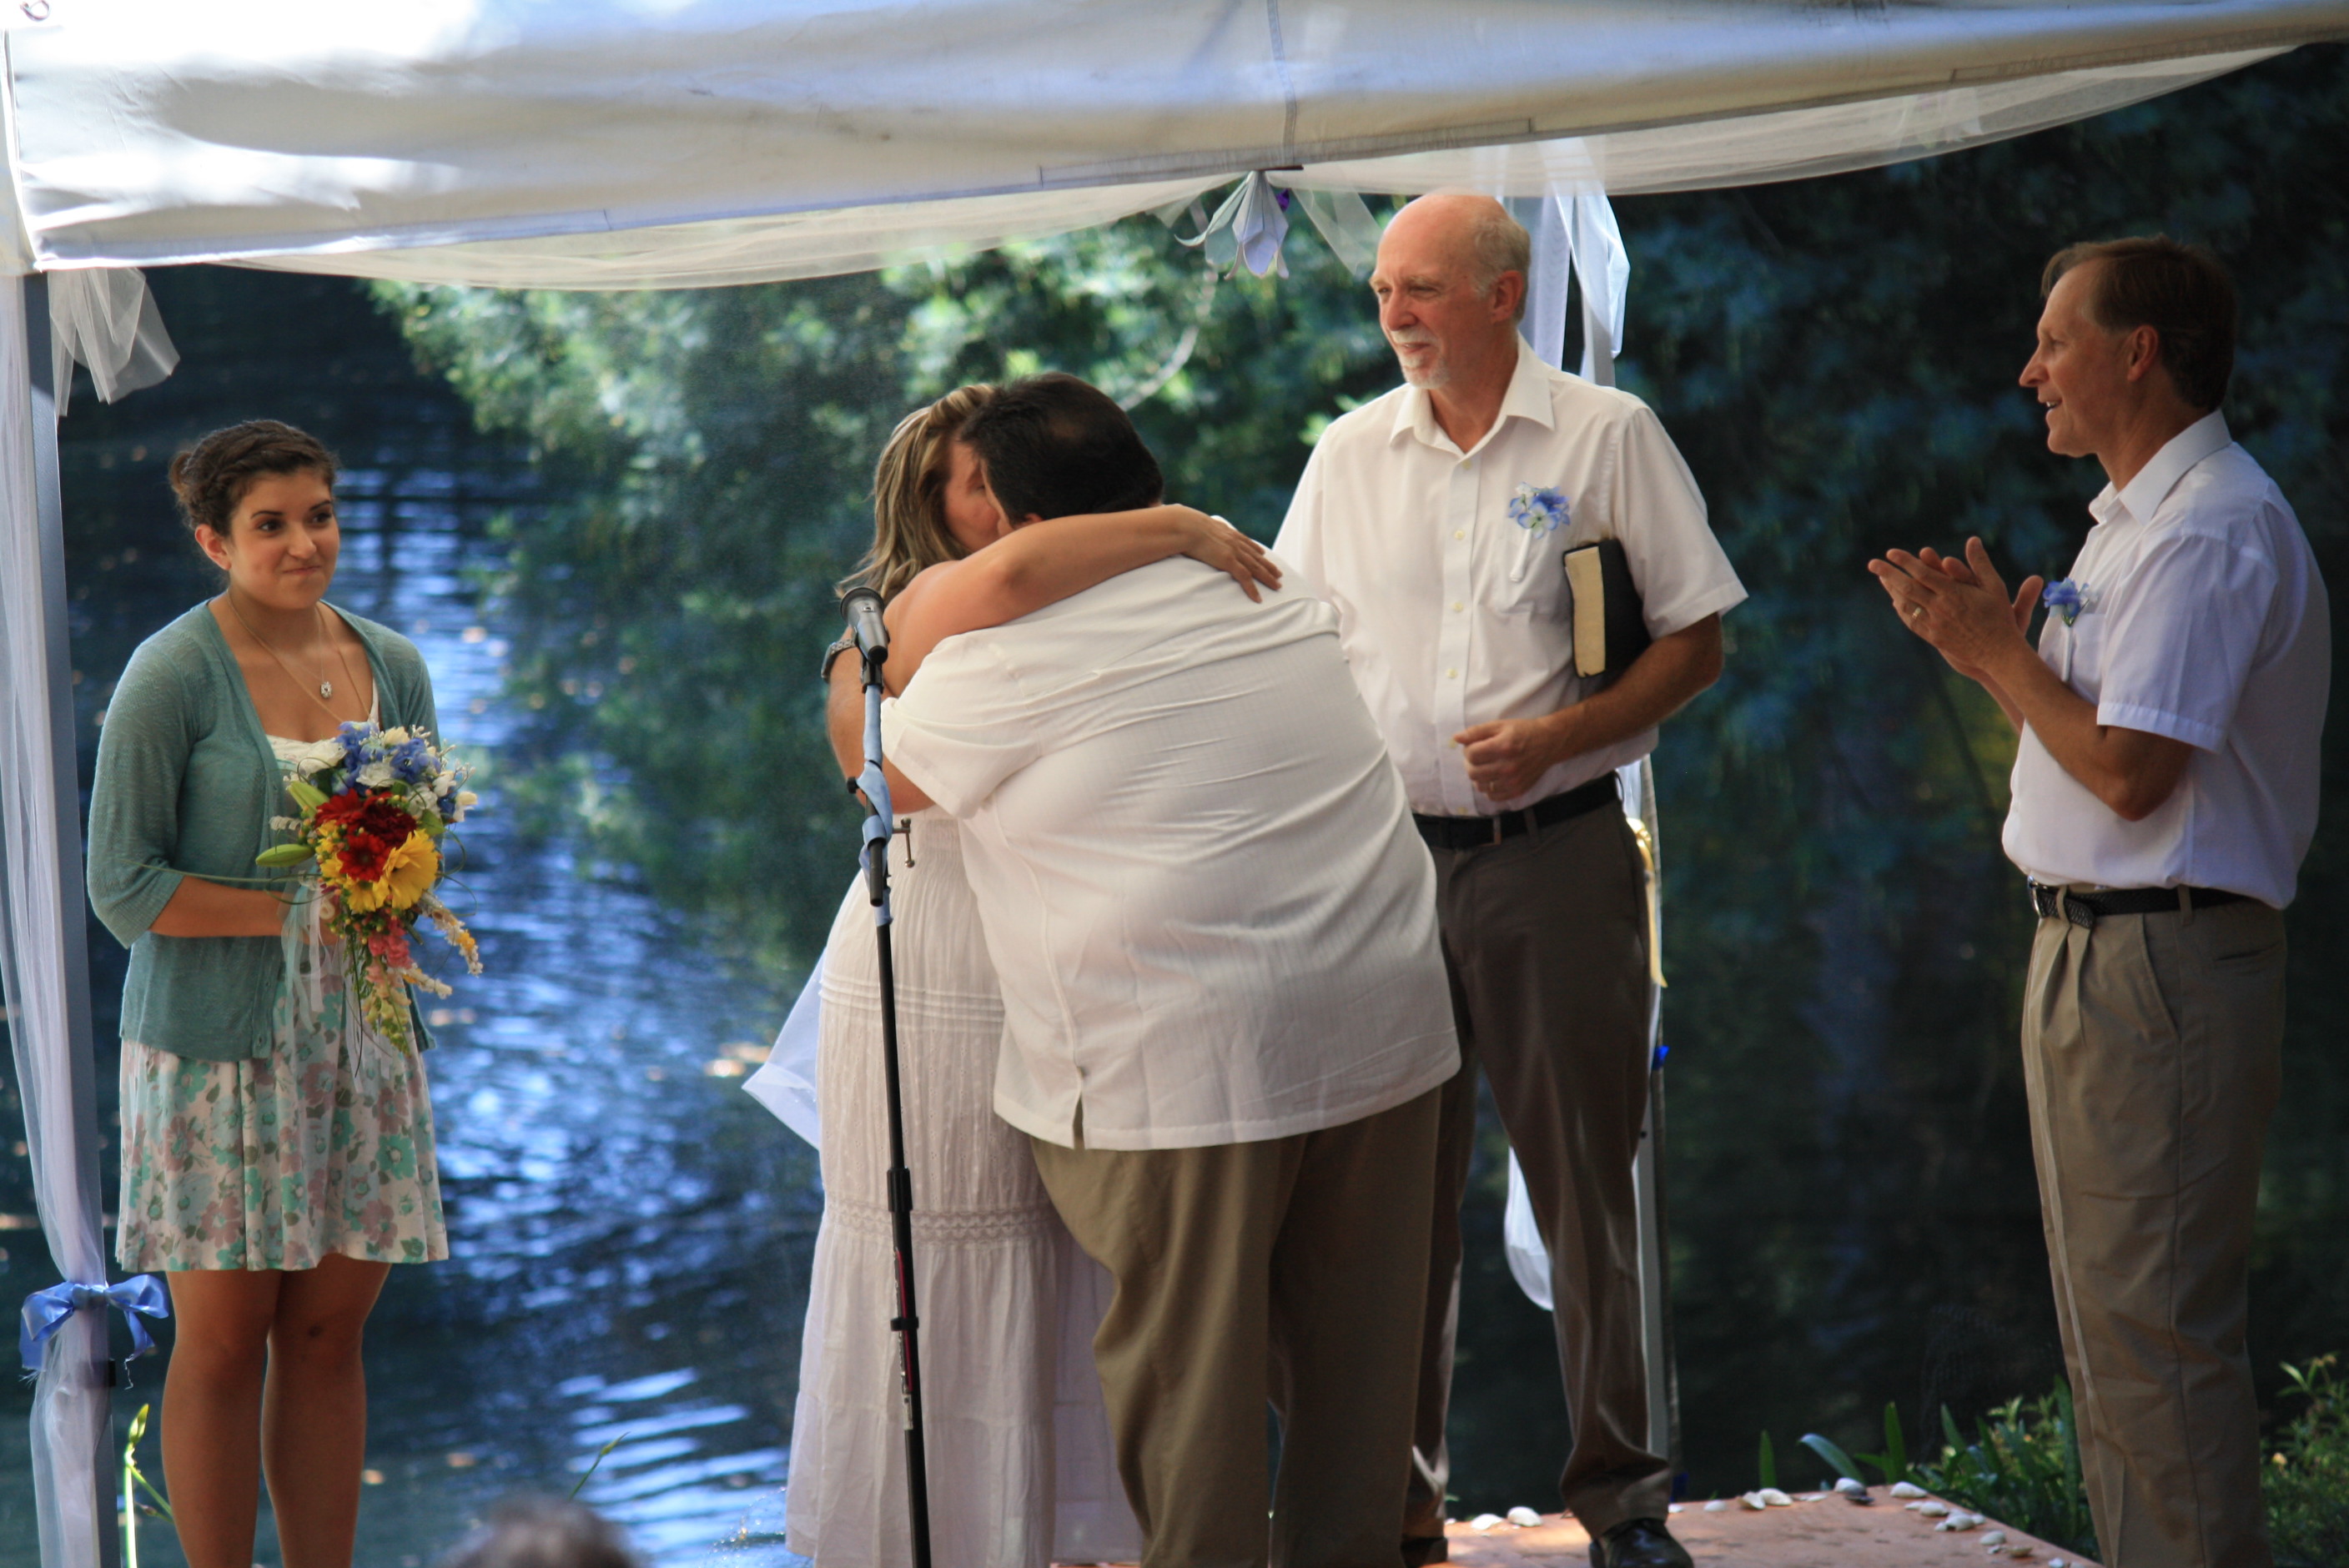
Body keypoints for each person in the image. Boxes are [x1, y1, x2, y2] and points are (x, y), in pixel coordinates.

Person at [872, 373, 1459, 1568]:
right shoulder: (1267, 579)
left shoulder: (1006, 653)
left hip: (1189, 1061)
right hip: (1386, 1016)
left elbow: (879, 780)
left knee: (1194, 1396)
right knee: (1358, 1378)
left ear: (1017, 524)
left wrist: (854, 659)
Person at [1275, 193, 1742, 1567]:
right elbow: (1284, 649)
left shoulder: (1608, 435)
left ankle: (1625, 1507)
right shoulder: (1348, 456)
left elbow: (1697, 643)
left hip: (1559, 860)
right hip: (1383, 877)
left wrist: (1562, 735)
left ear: (1503, 292)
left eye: (1419, 288)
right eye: (1381, 291)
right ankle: (1395, 1512)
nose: (1394, 315)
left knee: (1589, 1190)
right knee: (1385, 1212)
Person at [1869, 237, 2326, 1568]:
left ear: (2139, 354)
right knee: (2115, 1339)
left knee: (2156, 1344)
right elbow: (2096, 747)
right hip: (2104, 961)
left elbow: (2132, 777)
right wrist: (1992, 661)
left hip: (2161, 970)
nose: (2031, 371)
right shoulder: (2133, 523)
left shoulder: (2209, 530)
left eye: (2055, 341)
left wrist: (2002, 657)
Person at [787, 384, 1278, 1567]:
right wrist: (1178, 525)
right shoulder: (929, 608)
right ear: (933, 504)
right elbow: (876, 772)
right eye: (968, 483)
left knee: (1077, 1258)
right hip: (941, 946)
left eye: (998, 477)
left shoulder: (1089, 581)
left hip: (1066, 942)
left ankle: (1078, 1536)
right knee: (946, 1245)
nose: (994, 500)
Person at [86, 420, 450, 1568]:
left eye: (320, 516)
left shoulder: (394, 663)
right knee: (226, 1344)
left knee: (331, 1335)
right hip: (213, 1054)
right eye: (271, 525)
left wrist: (396, 879)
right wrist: (304, 912)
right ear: (214, 542)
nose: (305, 544)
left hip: (364, 1044)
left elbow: (423, 841)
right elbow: (123, 886)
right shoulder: (170, 674)